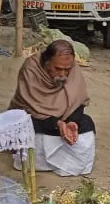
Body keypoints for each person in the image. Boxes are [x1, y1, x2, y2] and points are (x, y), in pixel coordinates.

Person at [10, 39, 96, 176]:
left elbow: (78, 102)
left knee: (86, 124)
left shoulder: (73, 69)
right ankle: (39, 162)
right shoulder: (31, 69)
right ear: (46, 62)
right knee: (27, 125)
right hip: (36, 119)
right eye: (58, 69)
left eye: (67, 70)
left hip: (64, 120)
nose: (63, 74)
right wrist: (58, 124)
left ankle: (68, 161)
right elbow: (32, 107)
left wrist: (71, 122)